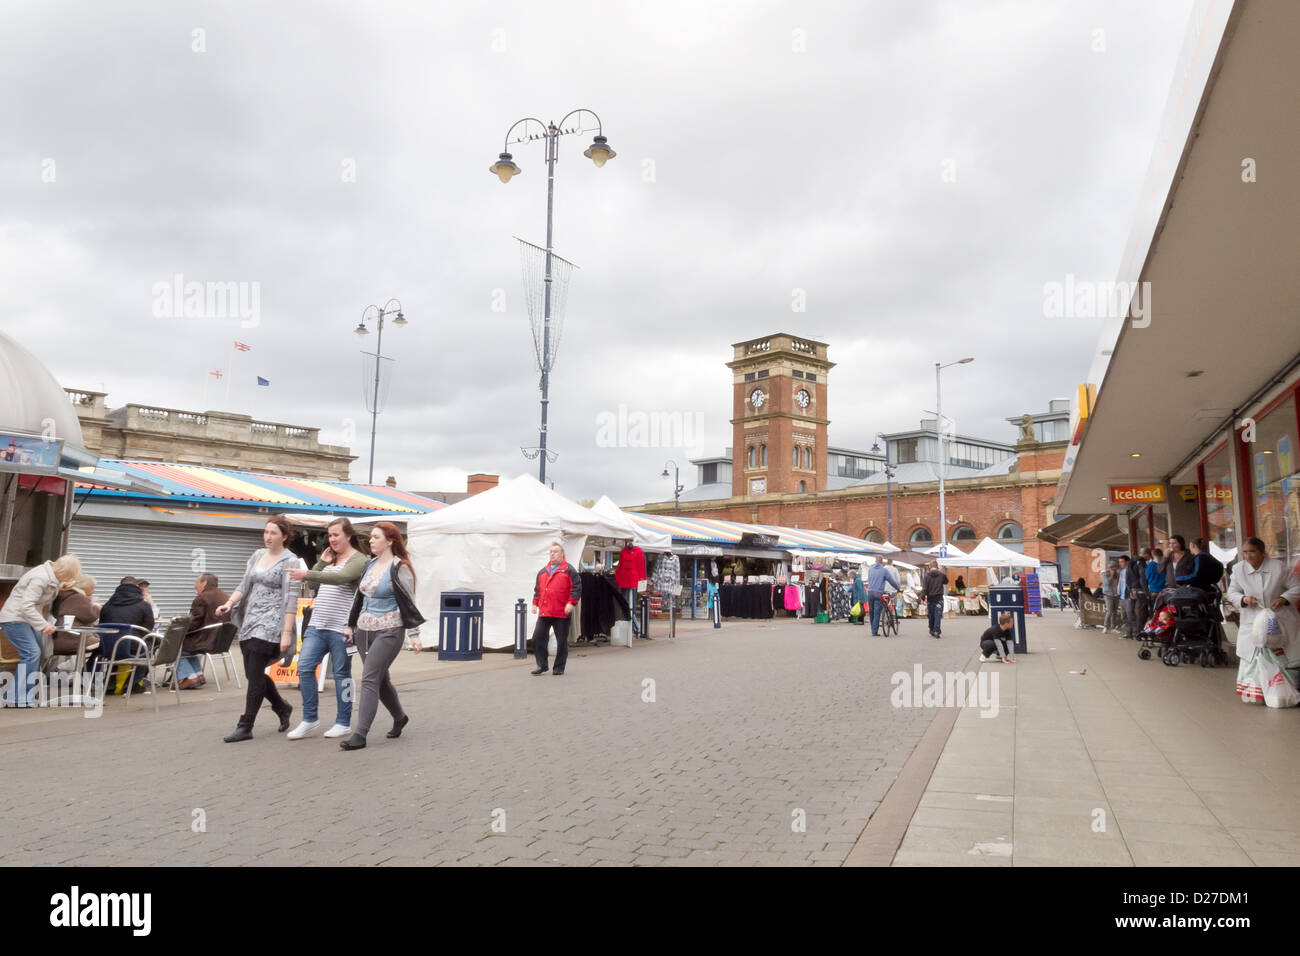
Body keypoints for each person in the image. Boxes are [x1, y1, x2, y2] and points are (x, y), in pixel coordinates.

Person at [216, 516, 306, 742]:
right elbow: (244, 584)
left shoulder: (290, 561)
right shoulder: (257, 555)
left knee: (255, 674)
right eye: (266, 532)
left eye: (273, 533)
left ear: (284, 536)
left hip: (271, 623)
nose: (268, 537)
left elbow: (291, 599)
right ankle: (281, 706)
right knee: (252, 674)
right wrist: (229, 604)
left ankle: (245, 725)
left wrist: (287, 633)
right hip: (250, 620)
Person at [340, 522, 424, 750]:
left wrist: (414, 634)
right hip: (363, 631)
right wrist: (350, 625)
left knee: (368, 678)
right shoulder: (369, 565)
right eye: (371, 537)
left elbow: (408, 601)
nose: (371, 541)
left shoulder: (400, 567)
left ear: (389, 541)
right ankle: (399, 717)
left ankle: (360, 734)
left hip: (390, 630)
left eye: (376, 537)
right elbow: (359, 597)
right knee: (380, 679)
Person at [285, 517, 365, 739]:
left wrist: (307, 573)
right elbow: (313, 585)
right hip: (318, 624)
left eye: (336, 535)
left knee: (343, 675)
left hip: (341, 628)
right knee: (305, 667)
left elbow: (341, 579)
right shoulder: (330, 560)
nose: (332, 539)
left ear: (348, 535)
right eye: (330, 536)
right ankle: (310, 719)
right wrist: (321, 562)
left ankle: (344, 721)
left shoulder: (359, 560)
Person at [0, 554, 82, 706]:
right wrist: (43, 625)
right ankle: (16, 697)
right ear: (63, 571)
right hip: (15, 619)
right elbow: (26, 606)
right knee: (32, 653)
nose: (66, 580)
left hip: (26, 620)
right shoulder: (41, 578)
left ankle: (24, 695)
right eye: (68, 576)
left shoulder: (50, 576)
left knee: (40, 653)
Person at [1225, 537, 1300, 703]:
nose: (1248, 556)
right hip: (1253, 621)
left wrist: (1283, 598)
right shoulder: (1238, 570)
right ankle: (1261, 692)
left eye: (1252, 552)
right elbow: (1232, 593)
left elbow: (1296, 587)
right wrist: (1244, 599)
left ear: (1262, 552)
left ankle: (1287, 691)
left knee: (1282, 655)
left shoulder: (1278, 568)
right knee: (1255, 656)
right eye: (1245, 552)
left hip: (1280, 619)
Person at [530, 541, 582, 675]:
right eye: (551, 552)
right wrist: (535, 604)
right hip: (545, 611)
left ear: (562, 554)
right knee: (537, 638)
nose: (552, 554)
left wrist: (571, 603)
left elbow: (577, 588)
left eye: (555, 552)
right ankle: (542, 665)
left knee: (561, 641)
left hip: (561, 612)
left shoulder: (569, 570)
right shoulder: (542, 572)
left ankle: (559, 667)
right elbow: (538, 590)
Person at [177, 573, 229, 689]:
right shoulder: (226, 597)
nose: (195, 586)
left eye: (196, 583)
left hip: (206, 640)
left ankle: (189, 677)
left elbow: (193, 623)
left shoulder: (202, 598)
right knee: (188, 649)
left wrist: (180, 630)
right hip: (220, 641)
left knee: (176, 647)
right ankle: (198, 675)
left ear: (204, 583)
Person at [50, 574, 99, 658]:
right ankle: (88, 670)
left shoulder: (63, 595)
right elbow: (91, 616)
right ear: (85, 587)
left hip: (56, 639)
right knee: (106, 645)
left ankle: (71, 667)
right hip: (73, 639)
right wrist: (96, 606)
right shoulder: (78, 597)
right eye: (92, 587)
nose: (93, 591)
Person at [613, 539, 647, 637]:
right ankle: (635, 628)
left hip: (634, 580)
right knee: (626, 605)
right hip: (624, 579)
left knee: (630, 606)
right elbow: (620, 566)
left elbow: (641, 567)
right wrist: (618, 579)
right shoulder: (623, 552)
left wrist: (642, 582)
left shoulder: (639, 552)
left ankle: (635, 628)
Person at [865, 559, 899, 636]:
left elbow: (869, 580)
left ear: (875, 561)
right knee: (877, 612)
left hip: (870, 592)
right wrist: (897, 587)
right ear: (882, 562)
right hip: (878, 592)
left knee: (871, 612)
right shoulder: (884, 570)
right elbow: (891, 581)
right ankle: (874, 631)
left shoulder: (870, 569)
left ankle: (873, 628)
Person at [922, 563, 948, 638]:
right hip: (939, 598)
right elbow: (946, 582)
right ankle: (936, 630)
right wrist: (941, 572)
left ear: (930, 567)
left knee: (931, 615)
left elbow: (925, 588)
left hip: (930, 598)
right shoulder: (941, 575)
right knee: (938, 615)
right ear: (937, 566)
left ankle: (931, 629)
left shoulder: (926, 576)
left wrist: (923, 597)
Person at [1101, 562, 1120, 633]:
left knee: (1115, 612)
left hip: (1116, 594)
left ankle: (1113, 627)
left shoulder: (1118, 574)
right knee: (1109, 611)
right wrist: (1112, 574)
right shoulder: (1104, 573)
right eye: (1115, 568)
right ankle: (1105, 626)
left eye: (1116, 568)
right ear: (1111, 568)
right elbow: (1107, 583)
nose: (1116, 569)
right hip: (1108, 595)